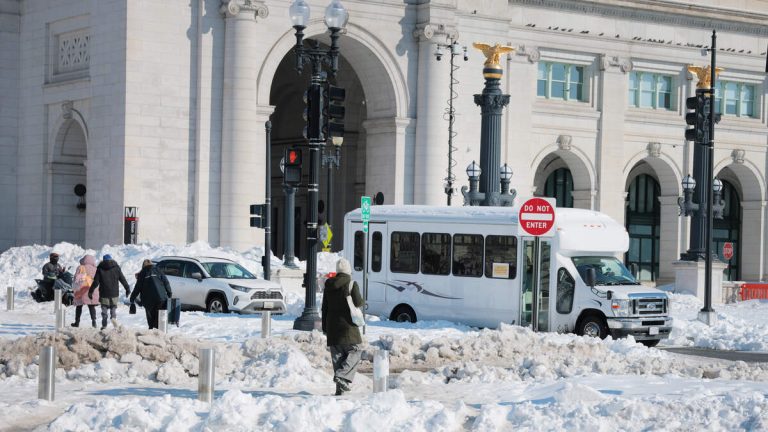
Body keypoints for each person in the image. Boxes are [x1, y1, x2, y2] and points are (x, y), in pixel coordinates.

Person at [321, 257, 364, 396]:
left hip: (332, 327)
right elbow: (358, 302)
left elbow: (324, 308)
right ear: (348, 271)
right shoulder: (351, 284)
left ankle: (340, 392)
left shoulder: (328, 285)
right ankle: (342, 376)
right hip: (348, 327)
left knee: (338, 357)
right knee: (356, 350)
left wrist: (325, 328)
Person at [88, 254, 131, 330]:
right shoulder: (116, 268)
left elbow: (96, 282)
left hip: (104, 293)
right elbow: (122, 279)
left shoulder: (100, 268)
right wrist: (127, 288)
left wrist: (90, 291)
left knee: (104, 309)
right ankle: (113, 317)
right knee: (113, 307)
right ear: (111, 259)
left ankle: (104, 325)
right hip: (114, 293)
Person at [130, 259, 173, 330]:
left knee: (151, 321)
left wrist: (132, 298)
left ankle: (152, 332)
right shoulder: (158, 270)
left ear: (143, 266)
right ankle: (159, 333)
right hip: (161, 298)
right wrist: (169, 293)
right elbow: (166, 282)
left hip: (148, 301)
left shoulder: (142, 273)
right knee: (159, 319)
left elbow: (137, 288)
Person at [71, 255, 98, 328]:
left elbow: (76, 279)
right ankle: (94, 322)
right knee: (91, 306)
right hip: (91, 291)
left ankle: (77, 322)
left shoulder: (80, 267)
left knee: (79, 306)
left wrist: (74, 289)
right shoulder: (95, 269)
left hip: (82, 290)